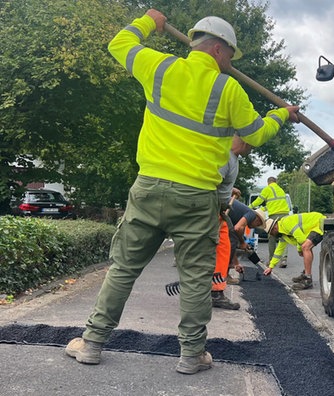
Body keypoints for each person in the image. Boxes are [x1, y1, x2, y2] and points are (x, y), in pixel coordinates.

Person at [64, 9, 299, 375]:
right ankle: (192, 355)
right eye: (230, 57)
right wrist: (283, 114)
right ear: (220, 51)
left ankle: (91, 343)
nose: (229, 63)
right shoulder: (228, 88)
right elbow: (256, 135)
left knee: (124, 268)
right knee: (194, 278)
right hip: (197, 199)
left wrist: (149, 21)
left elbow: (119, 43)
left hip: (149, 189)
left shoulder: (160, 68)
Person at [211, 136, 252, 310]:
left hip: (217, 210)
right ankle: (207, 291)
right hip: (208, 209)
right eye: (251, 144)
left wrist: (230, 190)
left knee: (224, 246)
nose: (252, 148)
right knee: (219, 246)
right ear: (243, 140)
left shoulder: (232, 159)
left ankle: (215, 291)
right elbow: (210, 182)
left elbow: (220, 183)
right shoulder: (224, 156)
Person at [262, 212, 326, 290]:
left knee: (305, 247)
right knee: (306, 247)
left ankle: (307, 279)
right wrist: (270, 267)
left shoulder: (286, 223)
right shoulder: (283, 234)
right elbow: (279, 251)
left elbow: (300, 238)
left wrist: (299, 249)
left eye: (271, 233)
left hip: (317, 223)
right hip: (312, 226)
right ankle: (306, 273)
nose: (272, 235)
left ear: (274, 228)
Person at [249, 177, 292, 267]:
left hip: (274, 216)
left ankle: (272, 259)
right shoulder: (281, 190)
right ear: (275, 182)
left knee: (272, 236)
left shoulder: (267, 189)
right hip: (285, 214)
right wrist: (261, 209)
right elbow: (271, 205)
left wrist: (249, 207)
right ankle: (284, 260)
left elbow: (259, 201)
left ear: (268, 182)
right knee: (284, 237)